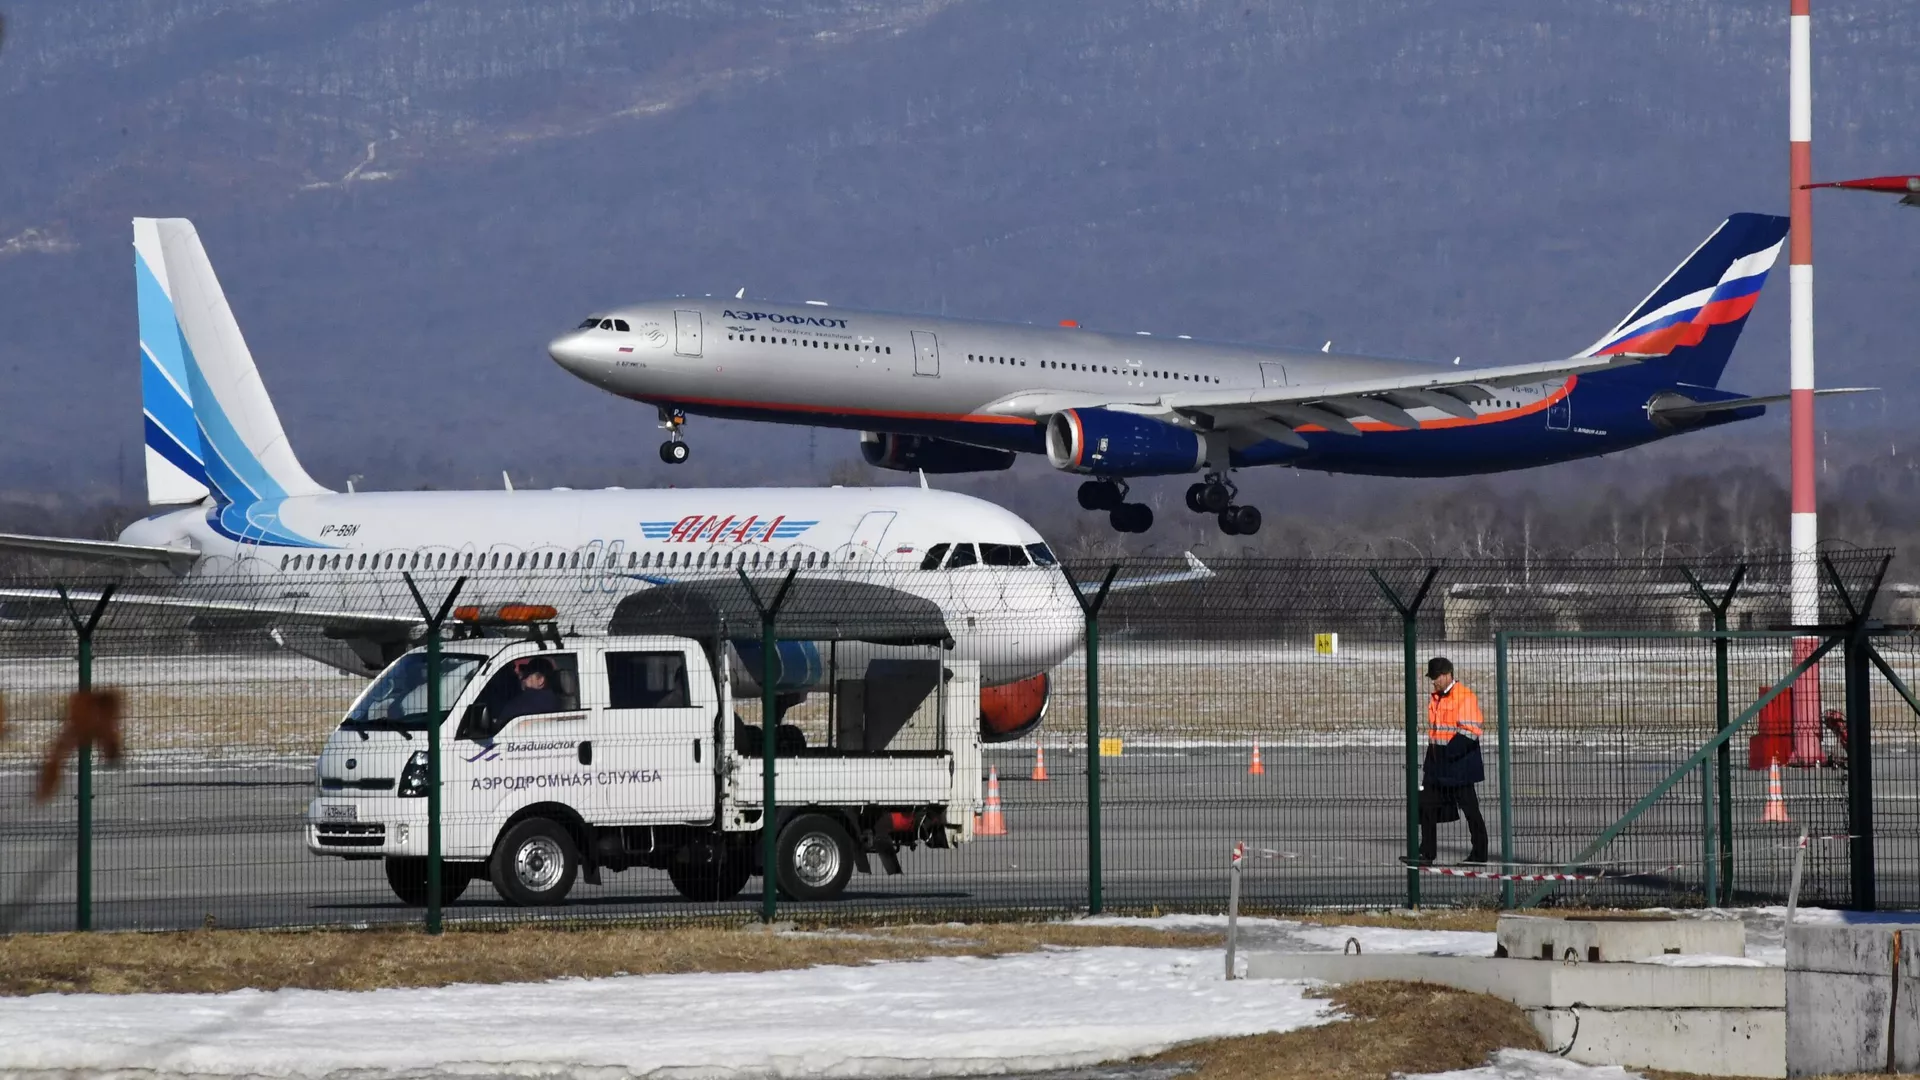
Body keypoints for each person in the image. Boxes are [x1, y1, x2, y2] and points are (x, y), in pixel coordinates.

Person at [1420, 656, 1488, 866]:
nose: (1434, 681)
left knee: (1470, 810)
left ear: (1448, 674)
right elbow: (1437, 731)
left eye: (1436, 677)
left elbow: (1471, 730)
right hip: (1437, 763)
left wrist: (1448, 755)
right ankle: (1426, 853)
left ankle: (1479, 854)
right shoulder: (1437, 697)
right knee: (1426, 807)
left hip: (1458, 765)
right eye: (1432, 677)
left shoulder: (1464, 696)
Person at [495, 657, 562, 723]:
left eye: (528, 675)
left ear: (540, 680)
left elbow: (501, 723)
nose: (524, 678)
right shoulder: (556, 701)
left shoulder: (520, 705)